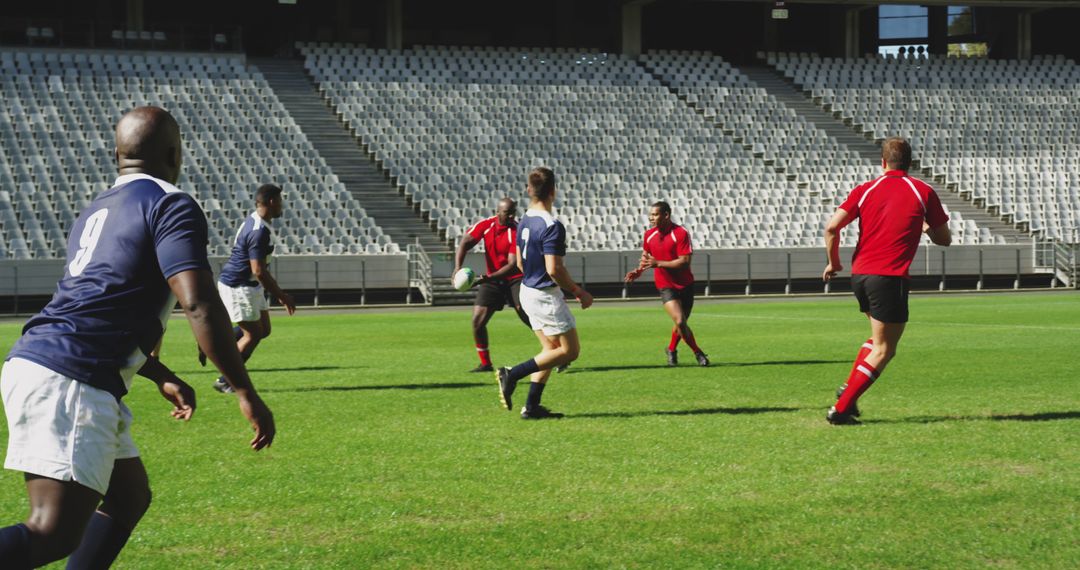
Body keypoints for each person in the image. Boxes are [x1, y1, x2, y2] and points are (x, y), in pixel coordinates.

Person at [0, 106, 275, 569]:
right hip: (73, 376)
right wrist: (244, 390)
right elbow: (198, 302)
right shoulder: (170, 202)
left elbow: (99, 304)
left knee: (128, 496)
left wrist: (158, 372)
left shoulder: (96, 208)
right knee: (51, 530)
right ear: (174, 153)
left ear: (117, 154)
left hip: (47, 360)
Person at [822, 137, 951, 425]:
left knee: (876, 341)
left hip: (860, 276)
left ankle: (849, 392)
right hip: (890, 277)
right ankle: (841, 409)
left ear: (882, 162)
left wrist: (834, 262)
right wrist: (927, 227)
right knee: (885, 349)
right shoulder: (922, 191)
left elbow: (831, 227)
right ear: (910, 163)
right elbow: (945, 240)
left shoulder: (866, 189)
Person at [496, 167, 593, 420]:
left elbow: (518, 263)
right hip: (544, 294)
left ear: (529, 190)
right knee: (570, 352)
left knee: (549, 350)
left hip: (526, 290)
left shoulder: (525, 219)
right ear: (554, 191)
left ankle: (531, 407)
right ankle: (511, 373)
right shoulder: (552, 225)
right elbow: (554, 268)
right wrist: (578, 291)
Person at [209, 184, 296, 393]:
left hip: (248, 284)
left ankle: (218, 341)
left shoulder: (255, 221)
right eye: (280, 201)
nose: (282, 205)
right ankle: (226, 380)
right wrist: (281, 296)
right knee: (252, 335)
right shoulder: (258, 231)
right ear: (272, 202)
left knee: (263, 330)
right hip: (238, 285)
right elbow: (257, 270)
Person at [624, 201, 709, 367]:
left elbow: (684, 262)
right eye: (650, 215)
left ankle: (671, 349)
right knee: (679, 320)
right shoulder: (649, 235)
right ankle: (698, 353)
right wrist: (639, 270)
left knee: (681, 323)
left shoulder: (680, 233)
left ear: (666, 215)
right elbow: (646, 257)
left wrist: (658, 263)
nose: (651, 218)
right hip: (665, 285)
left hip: (685, 284)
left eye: (655, 214)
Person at [453, 197, 532, 373]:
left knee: (527, 316)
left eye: (513, 212)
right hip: (492, 280)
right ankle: (485, 364)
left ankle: (555, 350)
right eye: (507, 212)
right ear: (498, 212)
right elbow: (465, 243)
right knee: (477, 321)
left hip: (515, 277)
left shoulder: (517, 230)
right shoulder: (486, 225)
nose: (511, 216)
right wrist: (457, 268)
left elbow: (512, 265)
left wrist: (486, 278)